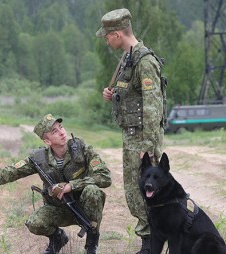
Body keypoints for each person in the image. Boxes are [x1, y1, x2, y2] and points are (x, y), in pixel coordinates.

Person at [0, 114, 111, 254]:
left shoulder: (83, 150)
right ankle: (58, 238)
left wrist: (72, 185)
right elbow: (10, 172)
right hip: (59, 208)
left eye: (61, 127)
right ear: (47, 141)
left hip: (84, 207)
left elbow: (105, 177)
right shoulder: (39, 160)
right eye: (54, 131)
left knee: (93, 191)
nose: (62, 132)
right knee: (34, 223)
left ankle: (92, 243)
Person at [96, 8, 165, 254]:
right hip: (132, 135)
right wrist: (112, 93)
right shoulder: (128, 58)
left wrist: (147, 146)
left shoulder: (144, 61)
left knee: (148, 190)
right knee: (135, 191)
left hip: (142, 139)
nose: (105, 39)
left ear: (117, 34)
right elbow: (131, 94)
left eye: (106, 35)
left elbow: (152, 107)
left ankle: (153, 244)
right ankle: (148, 242)